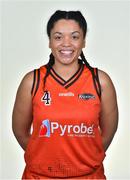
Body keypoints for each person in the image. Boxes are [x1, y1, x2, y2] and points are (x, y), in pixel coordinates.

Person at [12, 10, 118, 179]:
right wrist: (45, 157)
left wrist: (83, 160)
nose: (66, 44)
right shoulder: (32, 81)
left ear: (83, 41)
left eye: (75, 37)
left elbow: (108, 133)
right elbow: (20, 132)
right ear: (49, 42)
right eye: (58, 37)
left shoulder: (100, 82)